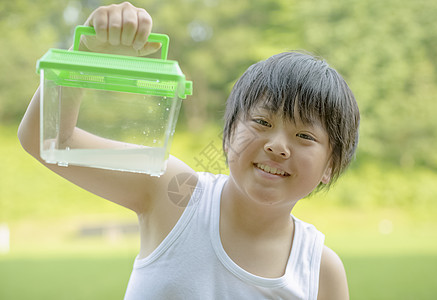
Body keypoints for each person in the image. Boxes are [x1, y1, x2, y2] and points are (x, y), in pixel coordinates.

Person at [18, 2, 359, 299]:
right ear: (228, 137)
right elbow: (47, 140)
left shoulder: (320, 271)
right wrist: (86, 55)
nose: (277, 145)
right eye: (262, 122)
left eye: (305, 136)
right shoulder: (174, 196)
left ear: (331, 164)